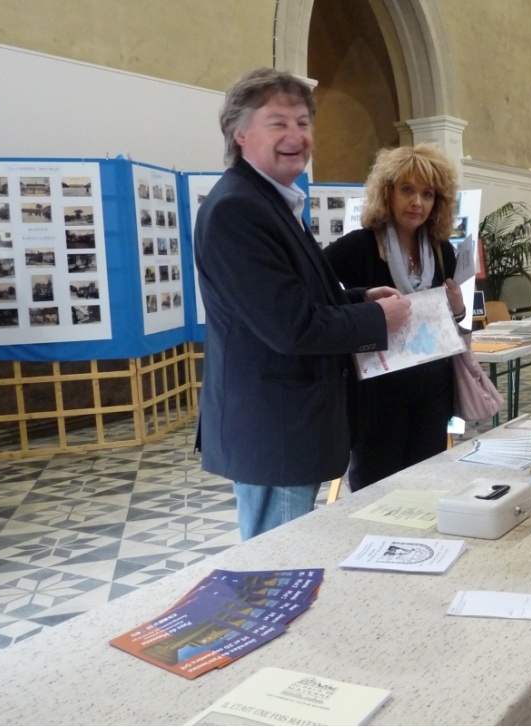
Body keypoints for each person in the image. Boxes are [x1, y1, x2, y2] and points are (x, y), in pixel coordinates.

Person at [195, 68, 411, 540]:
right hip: (277, 427)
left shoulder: (270, 201)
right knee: (277, 563)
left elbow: (294, 297)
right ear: (241, 133)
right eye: (278, 123)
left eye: (303, 122)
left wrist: (358, 298)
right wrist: (376, 318)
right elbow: (291, 327)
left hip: (289, 422)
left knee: (284, 557)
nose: (296, 135)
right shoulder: (238, 209)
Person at [324, 144, 465, 491]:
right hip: (377, 396)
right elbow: (317, 297)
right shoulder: (359, 246)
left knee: (425, 489)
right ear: (387, 193)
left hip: (432, 392)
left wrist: (458, 308)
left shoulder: (442, 250)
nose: (417, 202)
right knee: (377, 493)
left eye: (427, 194)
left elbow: (449, 321)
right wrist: (363, 304)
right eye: (407, 190)